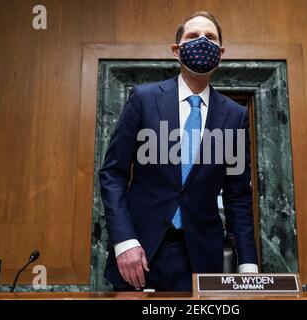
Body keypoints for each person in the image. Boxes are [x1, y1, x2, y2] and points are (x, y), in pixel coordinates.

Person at [99, 11, 258, 292]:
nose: (202, 42)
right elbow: (113, 172)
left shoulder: (235, 116)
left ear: (220, 53)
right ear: (176, 50)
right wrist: (123, 240)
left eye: (210, 38)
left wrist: (248, 265)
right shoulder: (144, 99)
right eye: (193, 36)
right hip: (139, 253)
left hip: (200, 259)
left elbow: (238, 196)